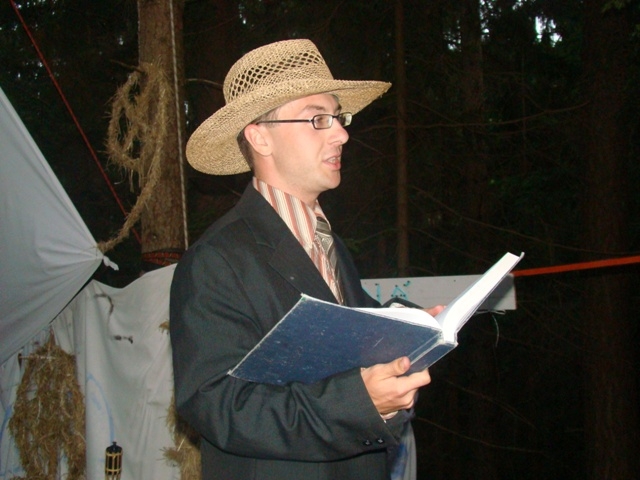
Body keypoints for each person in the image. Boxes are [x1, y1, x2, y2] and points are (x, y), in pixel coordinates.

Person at [170, 39, 441, 480]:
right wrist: (359, 403)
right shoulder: (216, 260)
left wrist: (408, 332)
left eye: (339, 117)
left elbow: (348, 349)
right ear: (260, 137)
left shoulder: (330, 246)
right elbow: (217, 405)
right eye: (318, 119)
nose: (341, 134)